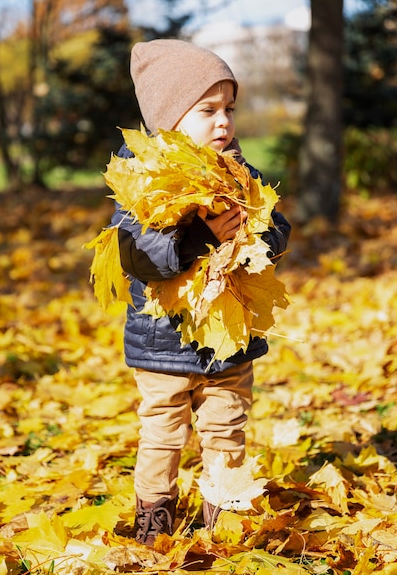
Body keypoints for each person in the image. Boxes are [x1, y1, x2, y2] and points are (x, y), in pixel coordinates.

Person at [109, 38, 291, 546]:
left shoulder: (239, 173)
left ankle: (225, 515)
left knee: (226, 426)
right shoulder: (140, 180)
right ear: (168, 117)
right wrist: (197, 237)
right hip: (162, 341)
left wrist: (257, 238)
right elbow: (136, 255)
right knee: (163, 433)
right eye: (207, 109)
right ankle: (154, 518)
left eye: (229, 108)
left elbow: (278, 229)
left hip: (229, 339)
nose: (223, 122)